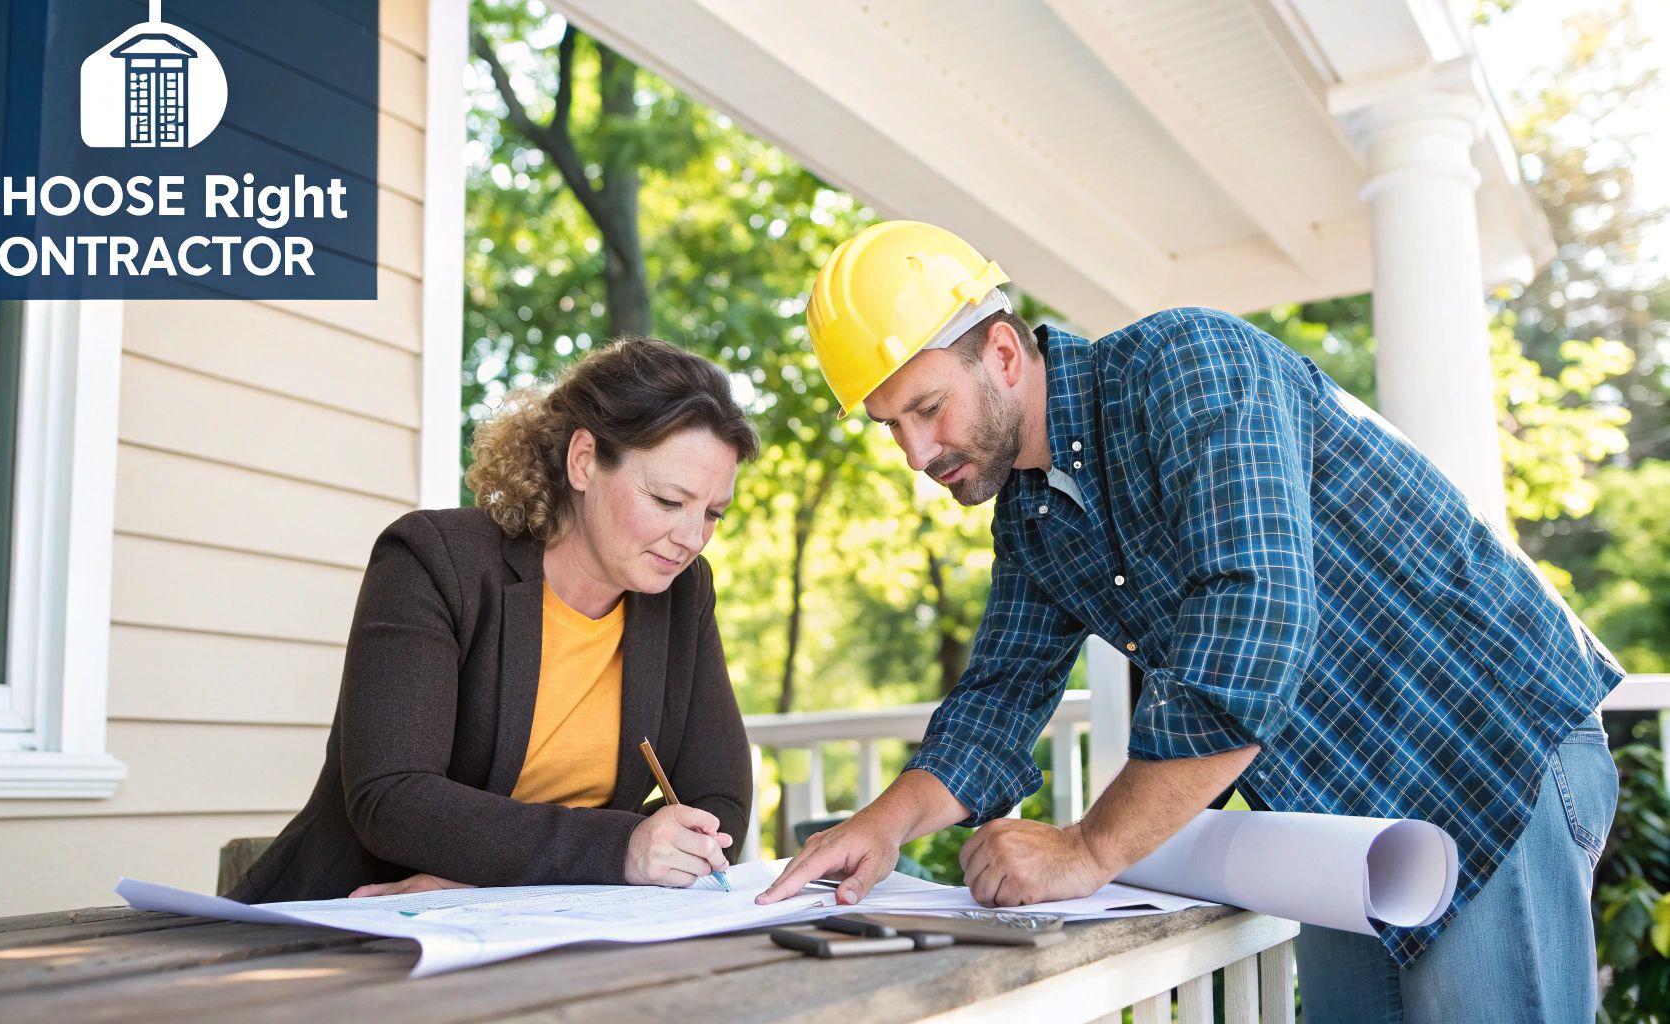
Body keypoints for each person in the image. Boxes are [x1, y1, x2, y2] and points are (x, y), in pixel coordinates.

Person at [757, 220, 1624, 1023]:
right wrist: (878, 824)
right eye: (890, 427)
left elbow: (1254, 625)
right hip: (1350, 828)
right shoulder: (1030, 519)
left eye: (926, 407)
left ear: (1003, 352)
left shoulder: (1188, 364)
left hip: (1484, 755)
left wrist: (1090, 848)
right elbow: (996, 702)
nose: (916, 454)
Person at [228, 337, 758, 903]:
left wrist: (499, 881)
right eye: (669, 501)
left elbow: (717, 800)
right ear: (583, 461)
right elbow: (393, 797)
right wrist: (618, 848)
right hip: (348, 926)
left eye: (713, 513)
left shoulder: (683, 593)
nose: (691, 538)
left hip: (536, 933)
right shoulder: (434, 560)